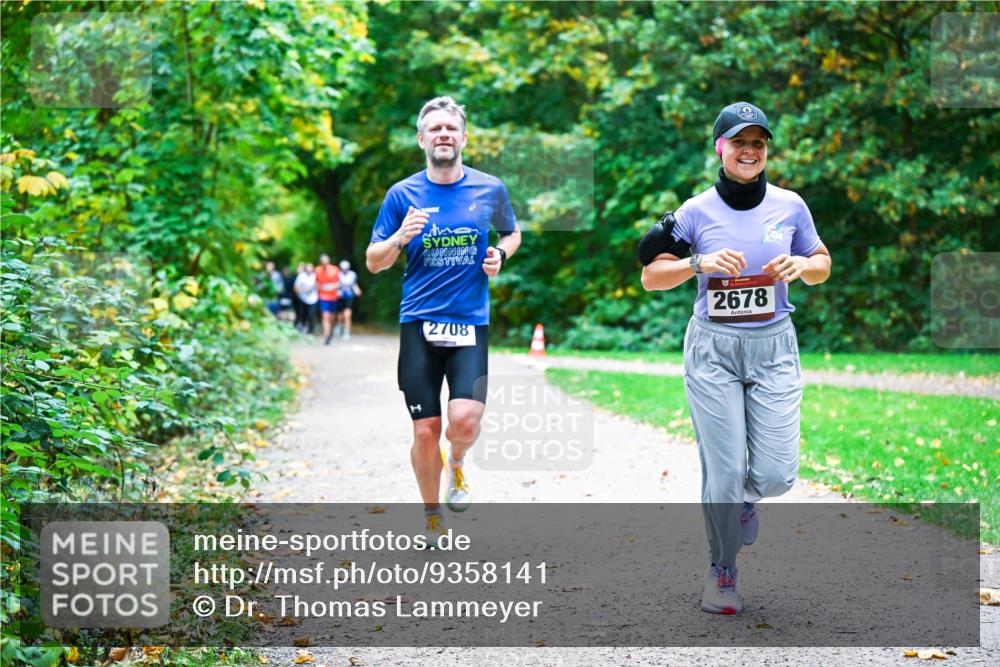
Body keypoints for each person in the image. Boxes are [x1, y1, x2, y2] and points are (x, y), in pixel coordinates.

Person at [638, 102, 831, 614]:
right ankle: (722, 570)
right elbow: (649, 275)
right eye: (739, 142)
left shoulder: (791, 206)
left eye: (758, 143)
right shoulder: (695, 211)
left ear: (766, 150)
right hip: (713, 350)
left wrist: (803, 265)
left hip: (774, 347)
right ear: (719, 148)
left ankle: (746, 499)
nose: (749, 151)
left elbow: (823, 263)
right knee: (721, 471)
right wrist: (695, 262)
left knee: (777, 475)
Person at [366, 96, 521, 544]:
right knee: (426, 428)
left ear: (464, 137)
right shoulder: (403, 195)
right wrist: (400, 236)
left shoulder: (489, 189)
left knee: (465, 421)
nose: (443, 135)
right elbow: (374, 262)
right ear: (421, 139)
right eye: (434, 129)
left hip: (470, 321)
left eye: (450, 129)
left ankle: (457, 462)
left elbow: (512, 233)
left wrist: (499, 255)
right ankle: (432, 514)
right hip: (419, 322)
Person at [315, 254, 341, 345]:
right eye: (323, 263)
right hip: (323, 296)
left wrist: (334, 286)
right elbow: (315, 282)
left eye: (326, 262)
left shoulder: (335, 269)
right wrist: (320, 287)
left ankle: (330, 334)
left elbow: (339, 282)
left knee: (332, 318)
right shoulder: (317, 270)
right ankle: (326, 336)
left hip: (333, 296)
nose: (325, 265)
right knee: (325, 316)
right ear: (320, 263)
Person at [335, 260, 361, 340]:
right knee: (340, 315)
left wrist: (357, 290)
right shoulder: (337, 274)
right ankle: (339, 325)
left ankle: (347, 332)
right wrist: (336, 292)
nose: (345, 270)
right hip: (340, 296)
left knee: (347, 314)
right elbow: (335, 285)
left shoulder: (352, 274)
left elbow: (354, 284)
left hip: (349, 296)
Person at [293, 263, 319, 334]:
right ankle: (304, 326)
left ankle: (311, 330)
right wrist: (302, 292)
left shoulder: (315, 276)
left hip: (313, 299)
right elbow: (295, 288)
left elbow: (319, 285)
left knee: (311, 314)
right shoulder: (301, 276)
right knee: (303, 314)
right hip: (303, 299)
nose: (309, 270)